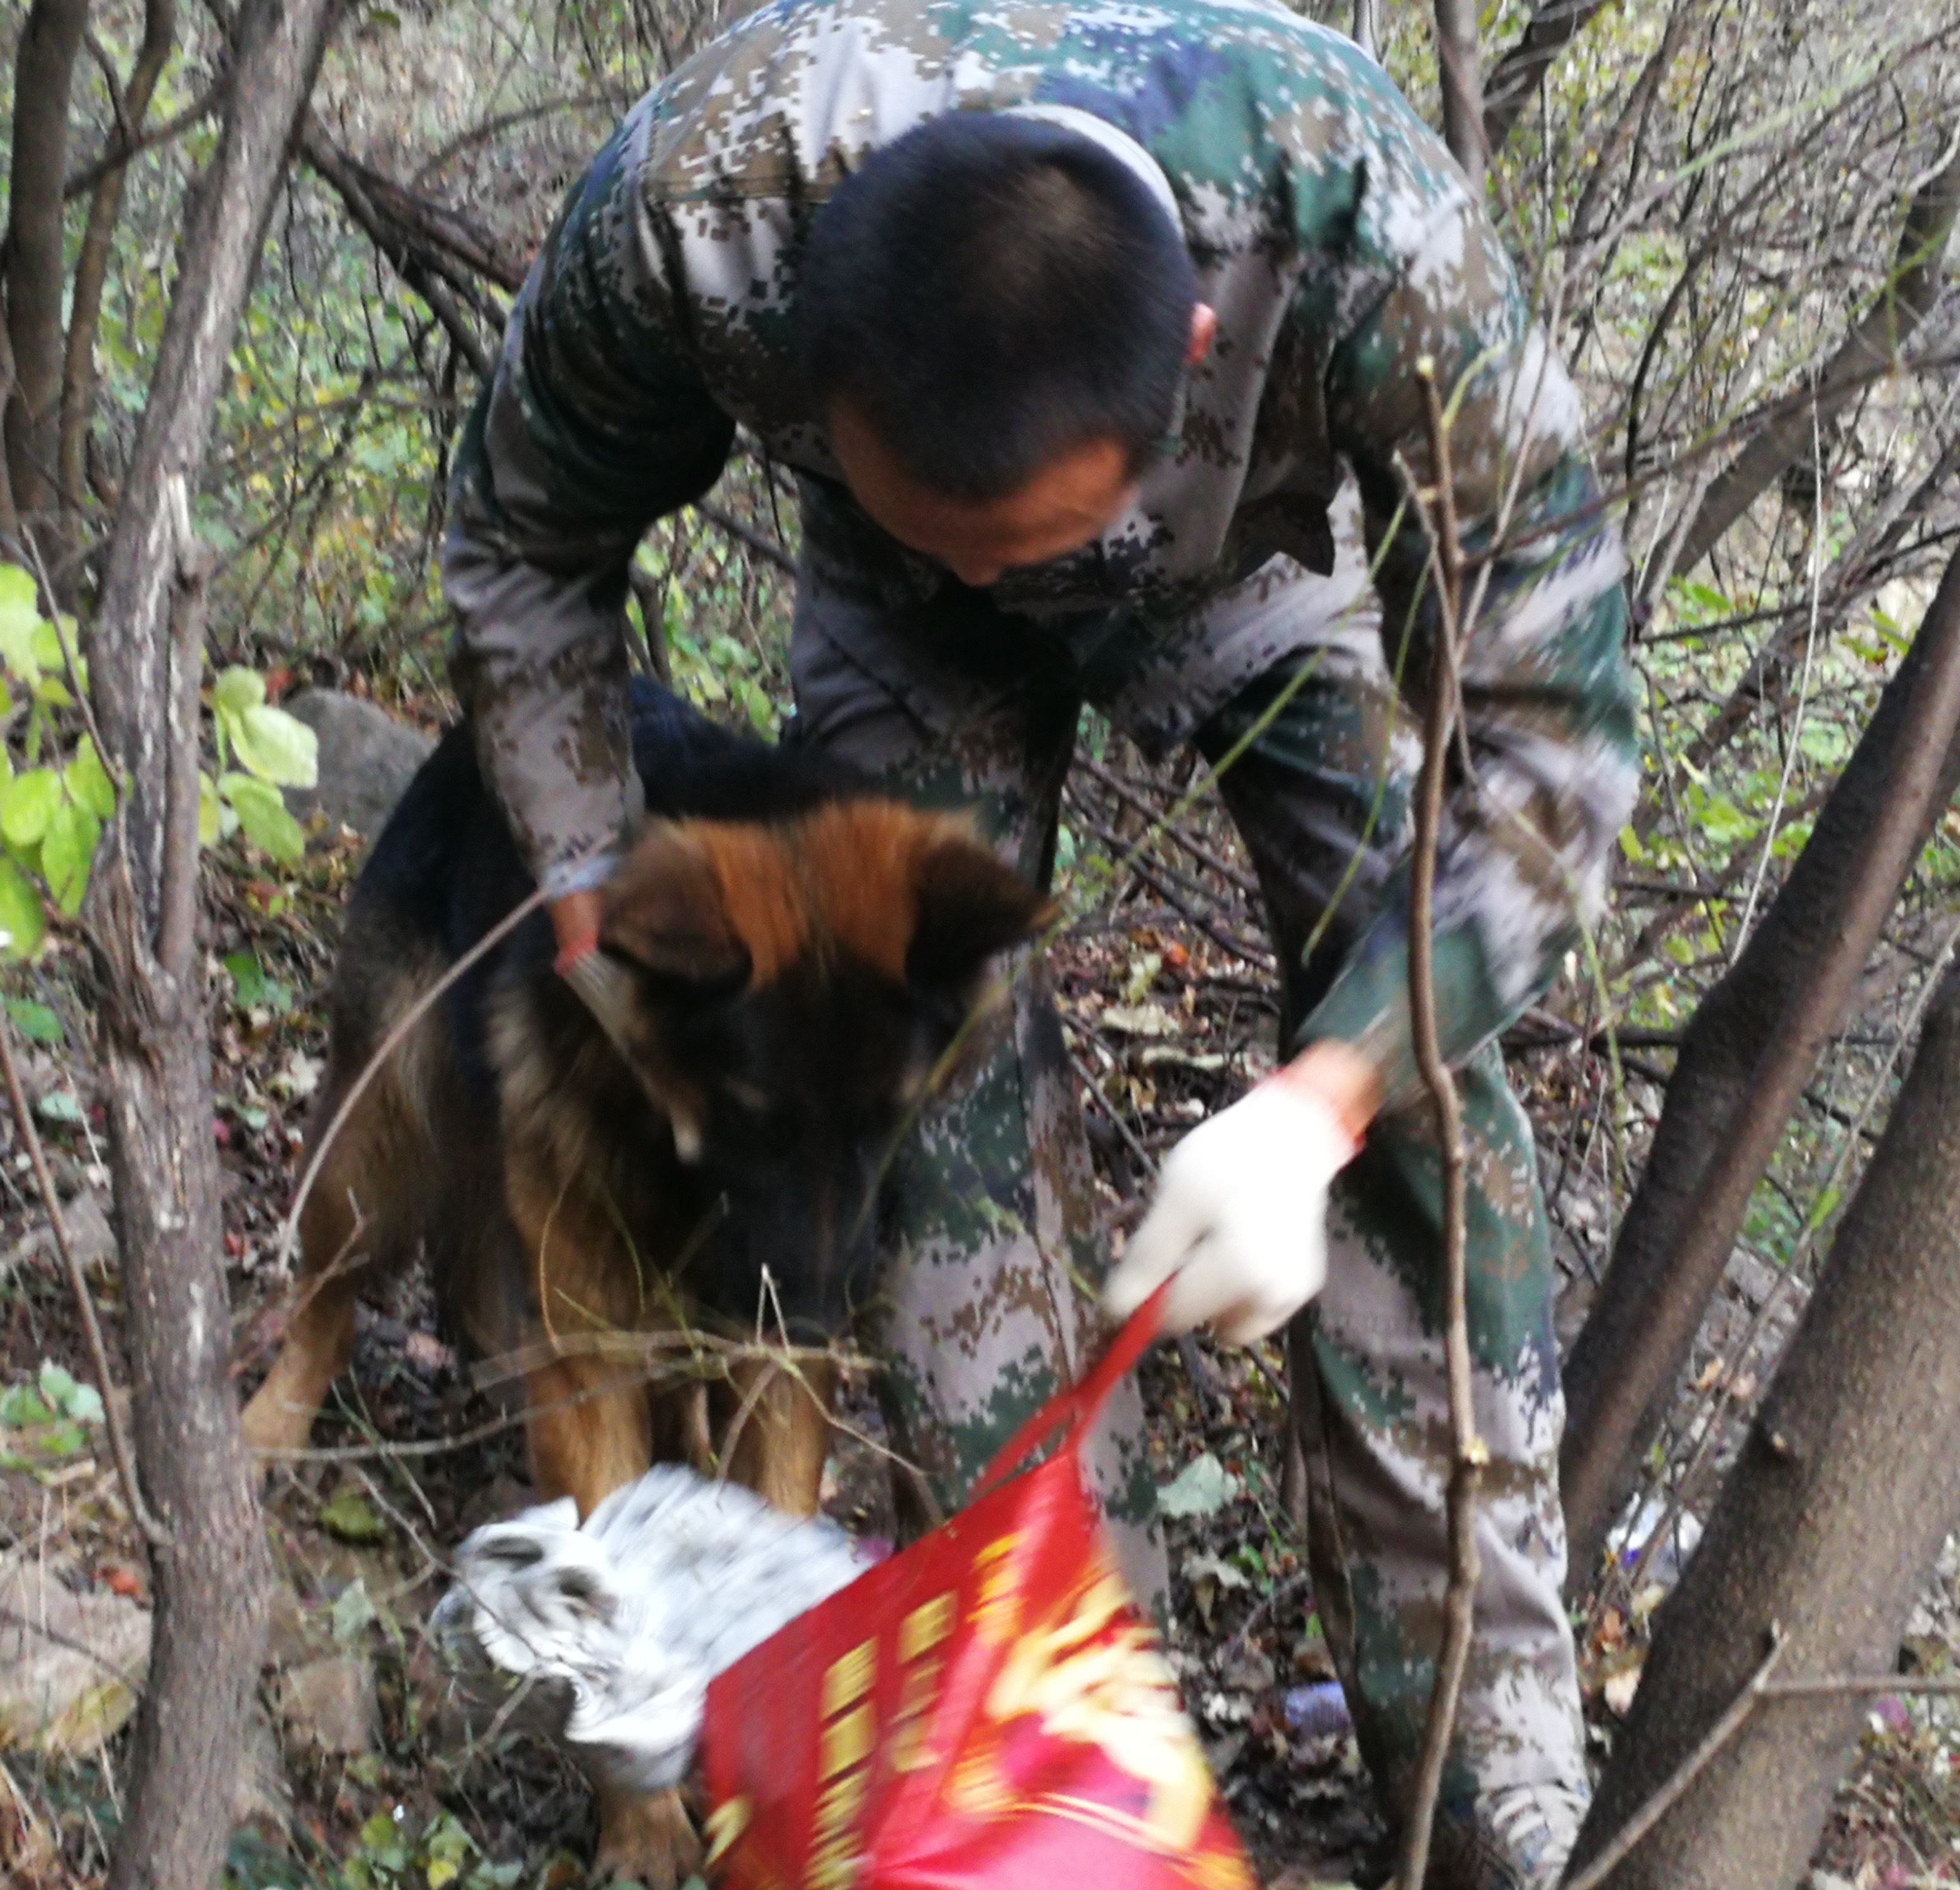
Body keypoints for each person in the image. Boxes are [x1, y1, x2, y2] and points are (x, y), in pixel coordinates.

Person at [442, 1, 1637, 1882]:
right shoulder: (705, 206)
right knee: (928, 1127)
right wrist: (593, 895)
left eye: (1027, 541)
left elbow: (1552, 749)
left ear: (1197, 345)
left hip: (1252, 573)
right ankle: (1083, 1763)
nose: (1019, 577)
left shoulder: (1359, 235)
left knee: (1425, 1073)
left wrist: (1320, 1102)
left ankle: (1486, 1794)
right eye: (968, 531)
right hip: (900, 636)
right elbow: (520, 548)